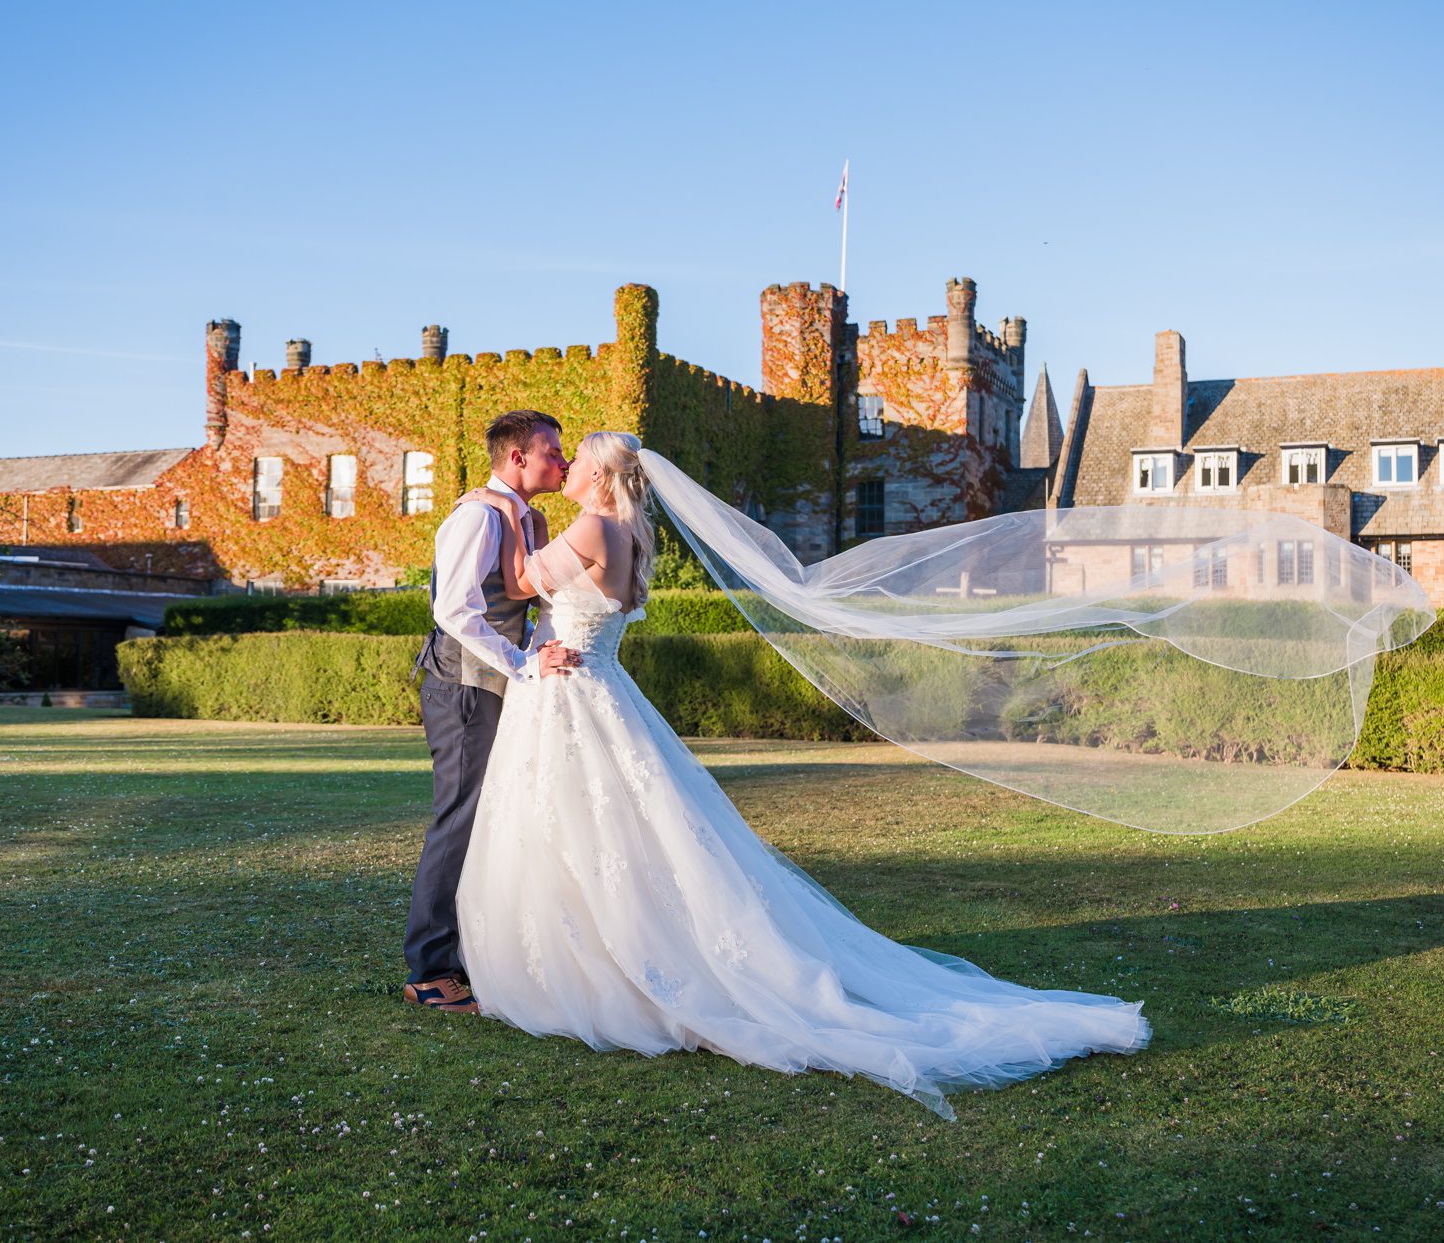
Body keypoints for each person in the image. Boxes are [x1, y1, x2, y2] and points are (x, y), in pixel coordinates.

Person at [449, 431, 1149, 1119]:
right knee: (607, 835)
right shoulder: (623, 533)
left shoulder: (593, 529)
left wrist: (508, 510)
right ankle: (597, 954)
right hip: (591, 688)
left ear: (601, 479)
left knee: (587, 831)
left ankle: (605, 971)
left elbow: (516, 581)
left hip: (571, 695)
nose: (566, 466)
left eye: (578, 462)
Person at [402, 409, 582, 1015]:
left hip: (495, 686)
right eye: (554, 452)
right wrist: (524, 663)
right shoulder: (477, 515)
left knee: (489, 817)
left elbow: (514, 599)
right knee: (459, 817)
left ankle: (474, 952)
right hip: (463, 688)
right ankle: (430, 969)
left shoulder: (523, 517)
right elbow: (455, 610)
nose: (564, 461)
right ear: (517, 459)